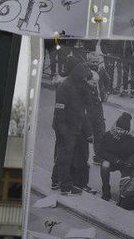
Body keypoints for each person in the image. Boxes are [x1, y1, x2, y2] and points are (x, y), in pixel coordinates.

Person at [51, 56, 93, 195]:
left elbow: (82, 111)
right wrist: (63, 132)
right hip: (66, 128)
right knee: (65, 157)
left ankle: (57, 180)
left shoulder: (78, 86)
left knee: (65, 155)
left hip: (75, 127)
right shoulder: (64, 87)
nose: (84, 79)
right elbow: (59, 112)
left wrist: (87, 131)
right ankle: (65, 186)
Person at [99, 112, 134, 201]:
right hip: (113, 161)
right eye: (118, 129)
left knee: (128, 181)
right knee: (104, 165)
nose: (119, 131)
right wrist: (114, 159)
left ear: (127, 130)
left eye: (122, 130)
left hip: (126, 163)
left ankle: (124, 195)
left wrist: (130, 163)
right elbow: (101, 151)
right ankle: (106, 189)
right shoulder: (109, 135)